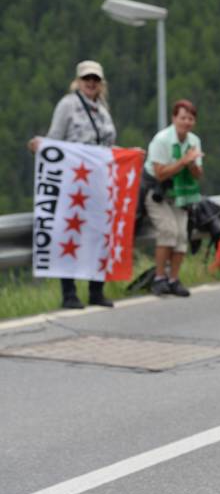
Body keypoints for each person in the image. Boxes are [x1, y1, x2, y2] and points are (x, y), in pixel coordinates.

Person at [28, 60, 117, 309]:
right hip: (73, 181)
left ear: (101, 83)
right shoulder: (68, 105)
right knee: (70, 231)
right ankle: (69, 293)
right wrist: (42, 146)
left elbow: (108, 145)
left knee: (98, 232)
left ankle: (96, 290)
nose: (91, 83)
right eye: (87, 79)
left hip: (98, 182)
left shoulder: (103, 109)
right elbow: (55, 138)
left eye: (95, 79)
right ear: (78, 81)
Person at [142, 99, 203, 297]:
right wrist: (183, 161)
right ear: (174, 118)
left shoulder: (194, 141)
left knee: (182, 235)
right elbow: (160, 173)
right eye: (183, 118)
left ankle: (174, 279)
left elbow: (198, 174)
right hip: (159, 191)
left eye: (190, 119)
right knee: (168, 231)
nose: (186, 122)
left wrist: (192, 164)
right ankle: (159, 278)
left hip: (183, 192)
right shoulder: (162, 140)